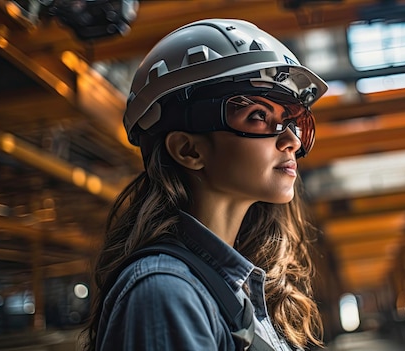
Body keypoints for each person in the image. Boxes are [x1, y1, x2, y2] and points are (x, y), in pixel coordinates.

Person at [83, 18, 328, 351]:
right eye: (258, 116)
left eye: (290, 122)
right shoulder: (165, 293)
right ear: (189, 149)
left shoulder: (238, 286)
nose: (291, 141)